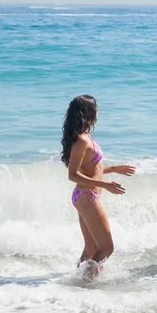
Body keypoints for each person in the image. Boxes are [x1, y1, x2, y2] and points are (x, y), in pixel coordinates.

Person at [60, 95, 135, 277]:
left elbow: (91, 168)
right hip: (87, 196)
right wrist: (105, 184)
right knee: (107, 247)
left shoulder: (86, 137)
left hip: (86, 196)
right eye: (96, 108)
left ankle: (78, 282)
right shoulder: (81, 141)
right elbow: (73, 174)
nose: (98, 111)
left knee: (92, 247)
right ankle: (87, 281)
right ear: (88, 112)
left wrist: (114, 169)